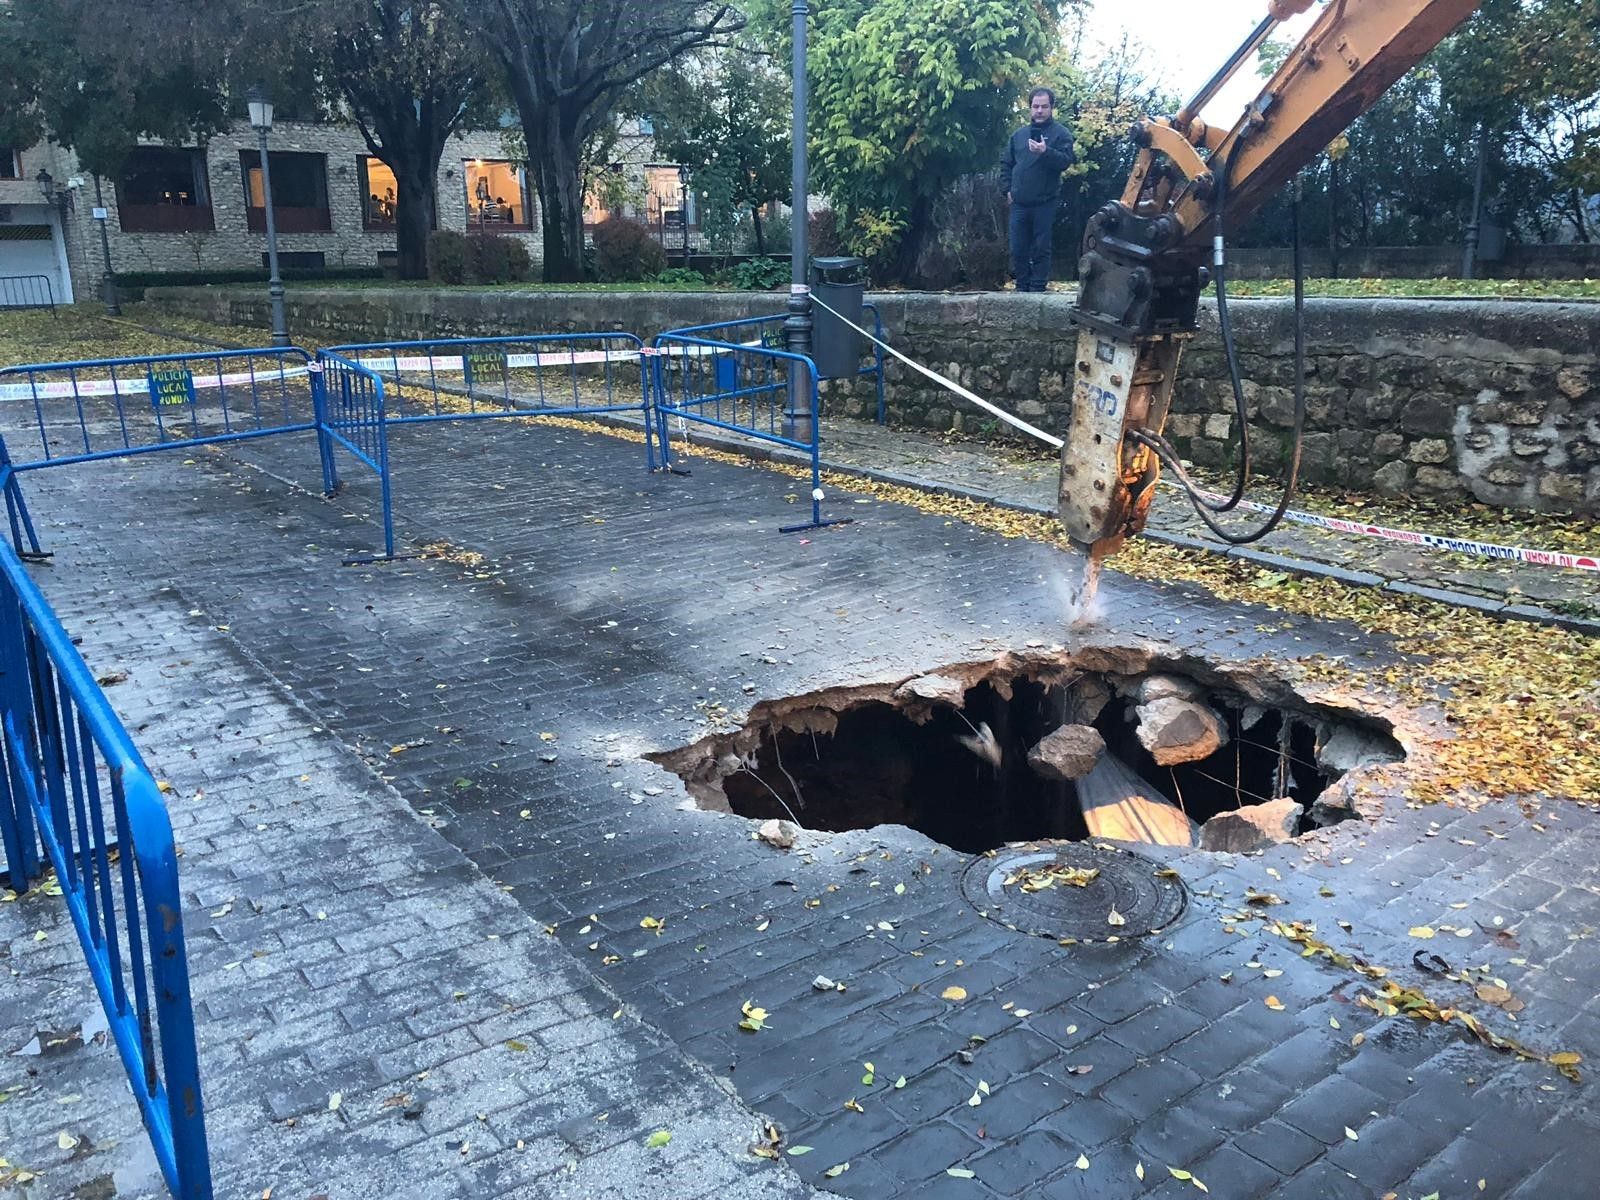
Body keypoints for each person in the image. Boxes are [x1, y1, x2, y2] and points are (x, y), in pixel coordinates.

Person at [1002, 87, 1075, 292]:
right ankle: (1021, 287)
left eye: (1044, 106)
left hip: (1045, 202)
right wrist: (1007, 190)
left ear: (1052, 108)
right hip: (1019, 202)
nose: (1040, 111)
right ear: (1030, 108)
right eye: (1036, 106)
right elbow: (1006, 164)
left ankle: (1037, 288)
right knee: (1018, 248)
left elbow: (1066, 161)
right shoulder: (1018, 135)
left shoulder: (1061, 134)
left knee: (1041, 248)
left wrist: (1045, 152)